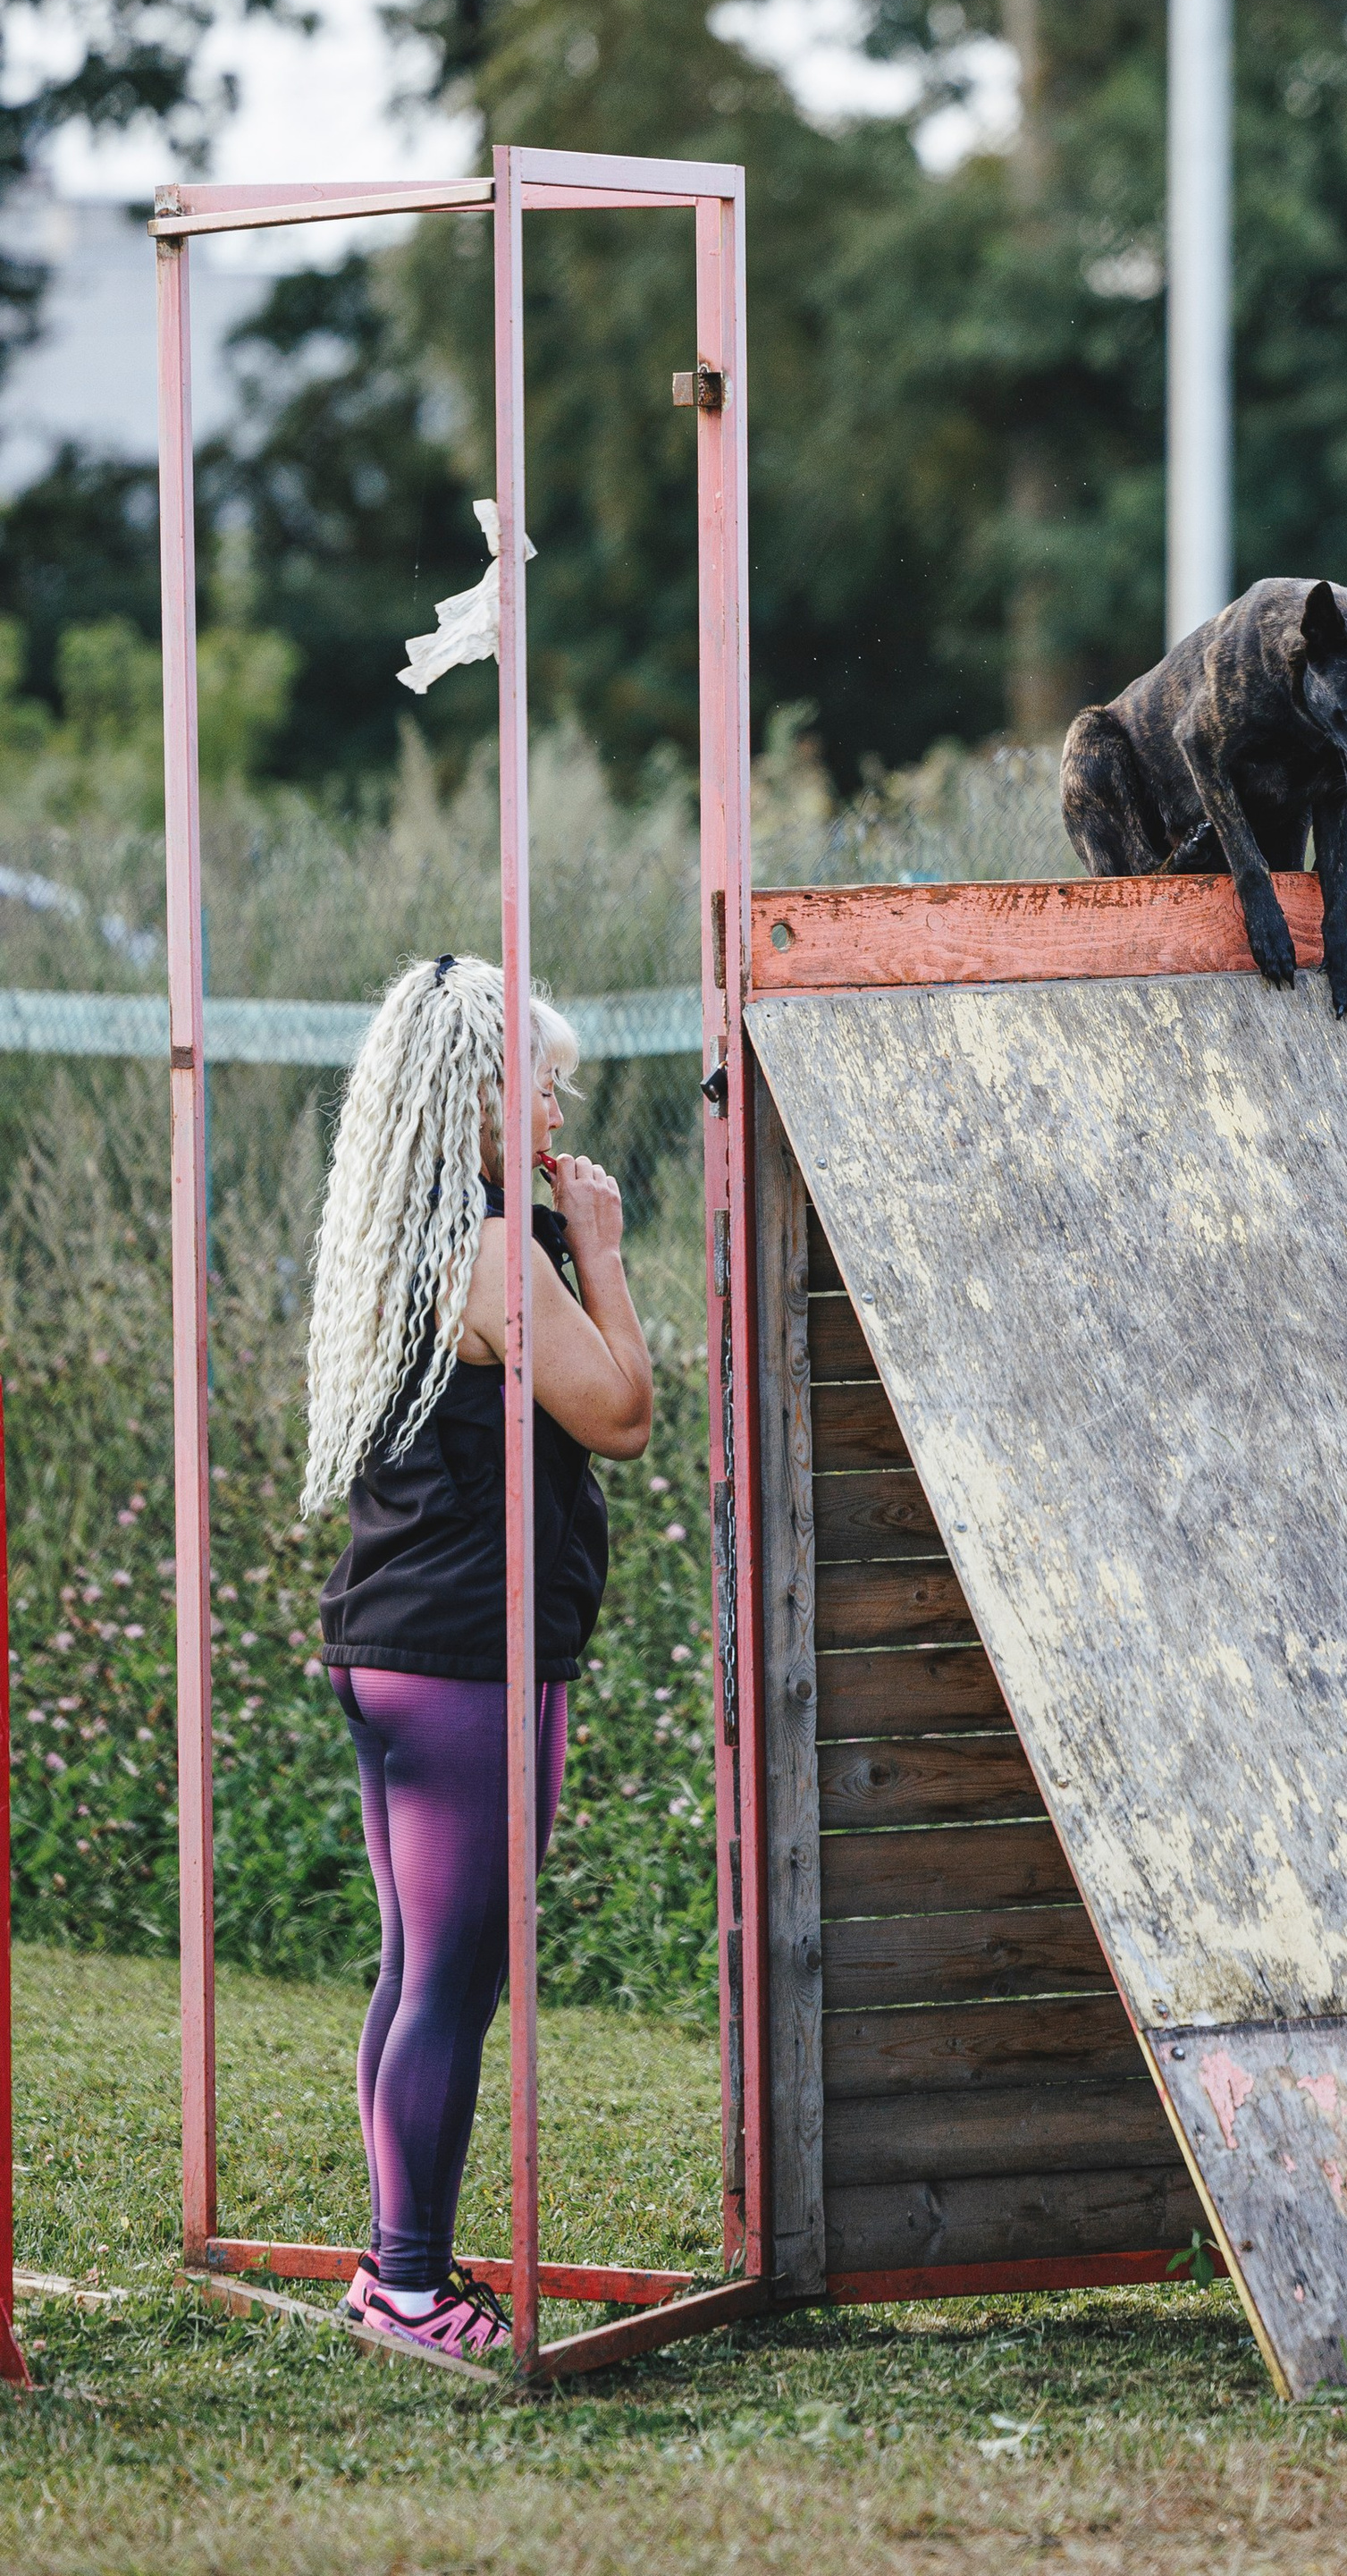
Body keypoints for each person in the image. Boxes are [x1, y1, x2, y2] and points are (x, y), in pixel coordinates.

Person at [300, 953, 652, 2360]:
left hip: (396, 1640)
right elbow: (621, 1412)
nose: (558, 1092)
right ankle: (407, 2283)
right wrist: (609, 1254)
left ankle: (394, 2267)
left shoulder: (411, 1229)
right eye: (538, 1074)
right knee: (453, 1973)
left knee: (417, 1964)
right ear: (474, 1095)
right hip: (467, 1657)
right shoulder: (500, 1249)